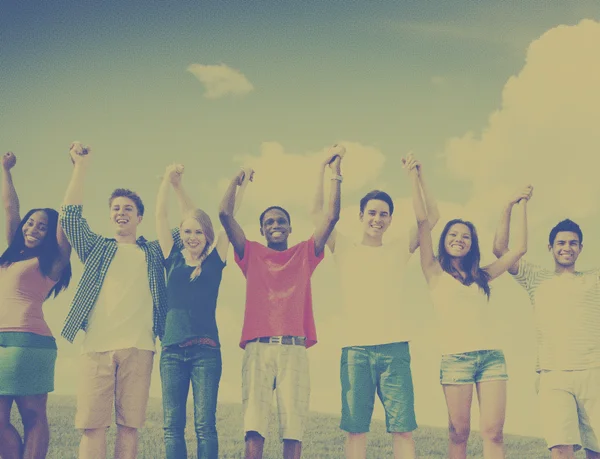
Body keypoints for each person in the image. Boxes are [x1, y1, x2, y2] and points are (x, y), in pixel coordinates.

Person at [311, 151, 439, 459]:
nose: (377, 219)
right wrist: (324, 169)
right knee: (356, 430)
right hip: (355, 351)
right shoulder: (342, 246)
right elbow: (318, 215)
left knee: (403, 429)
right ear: (361, 216)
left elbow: (430, 218)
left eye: (383, 214)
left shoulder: (398, 248)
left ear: (391, 219)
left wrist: (416, 175)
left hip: (395, 349)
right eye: (371, 212)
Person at [219, 151, 343, 459]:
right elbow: (224, 214)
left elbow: (331, 217)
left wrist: (335, 173)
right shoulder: (251, 253)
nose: (275, 225)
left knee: (293, 428)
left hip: (294, 349)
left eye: (281, 221)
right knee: (254, 427)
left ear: (289, 227)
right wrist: (237, 180)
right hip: (258, 348)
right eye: (269, 222)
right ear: (261, 230)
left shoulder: (305, 253)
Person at [60, 142, 175, 459]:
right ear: (110, 216)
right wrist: (80, 167)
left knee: (129, 426)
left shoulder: (153, 251)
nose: (121, 212)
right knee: (92, 426)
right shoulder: (97, 248)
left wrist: (171, 183)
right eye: (115, 208)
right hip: (96, 347)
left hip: (140, 348)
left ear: (140, 217)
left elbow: (193, 228)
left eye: (128, 209)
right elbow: (70, 217)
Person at [411, 158, 532, 459]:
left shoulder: (484, 276)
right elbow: (423, 221)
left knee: (494, 433)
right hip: (455, 360)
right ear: (445, 241)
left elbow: (519, 249)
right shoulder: (433, 271)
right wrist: (417, 176)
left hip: (492, 358)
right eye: (453, 235)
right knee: (459, 434)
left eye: (465, 236)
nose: (459, 239)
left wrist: (515, 205)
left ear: (471, 244)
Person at [157, 163, 252, 459]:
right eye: (187, 231)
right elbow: (161, 215)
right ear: (180, 234)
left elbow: (231, 219)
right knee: (172, 426)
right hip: (172, 351)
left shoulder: (214, 261)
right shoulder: (171, 257)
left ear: (207, 235)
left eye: (198, 231)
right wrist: (169, 182)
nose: (192, 236)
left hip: (206, 353)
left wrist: (243, 185)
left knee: (204, 425)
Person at [494, 213, 600, 459]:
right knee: (560, 449)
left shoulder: (594, 279)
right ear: (550, 247)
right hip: (553, 375)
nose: (567, 248)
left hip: (594, 371)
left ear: (581, 248)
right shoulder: (535, 277)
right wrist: (511, 205)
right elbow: (500, 249)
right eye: (561, 243)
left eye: (573, 243)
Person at [0, 151, 72, 459]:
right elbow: (9, 207)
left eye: (42, 227)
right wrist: (5, 170)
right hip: (3, 341)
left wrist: (76, 171)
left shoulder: (51, 262)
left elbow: (67, 220)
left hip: (28, 341)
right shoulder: (11, 255)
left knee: (32, 414)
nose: (32, 230)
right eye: (30, 224)